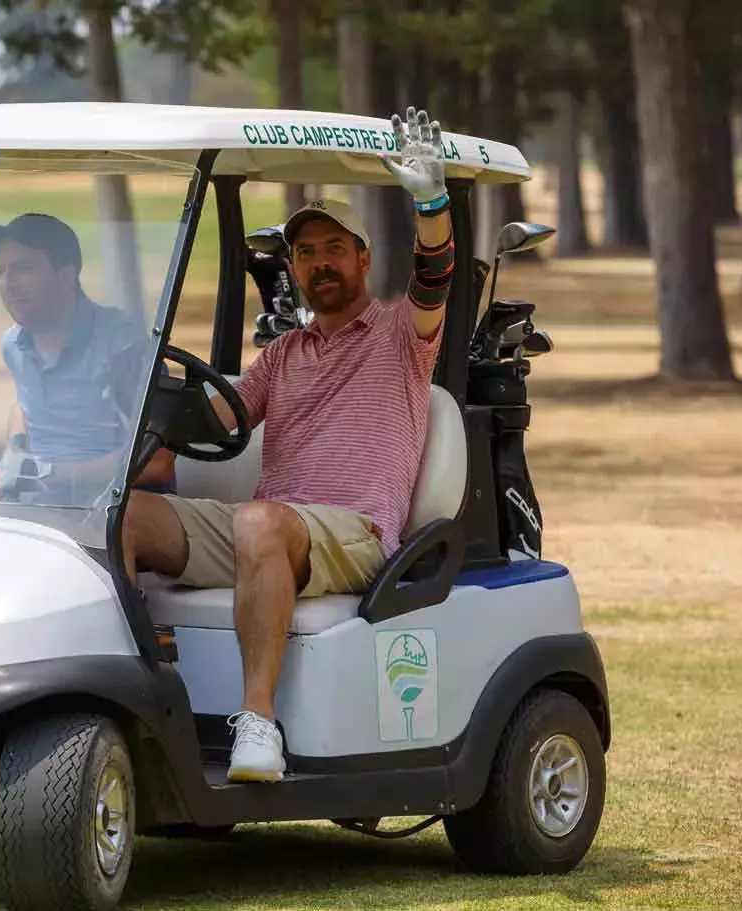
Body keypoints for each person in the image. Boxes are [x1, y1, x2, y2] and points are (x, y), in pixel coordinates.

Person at [121, 107, 456, 782]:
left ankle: (257, 723)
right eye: (306, 253)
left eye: (335, 248)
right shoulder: (283, 355)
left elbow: (433, 280)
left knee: (260, 521)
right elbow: (208, 426)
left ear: (363, 258)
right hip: (270, 532)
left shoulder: (401, 338)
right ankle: (129, 690)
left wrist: (430, 202)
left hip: (355, 533)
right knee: (124, 515)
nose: (320, 263)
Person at [0, 212, 175, 501]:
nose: (8, 283)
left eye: (23, 269)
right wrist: (9, 464)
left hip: (116, 516)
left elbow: (157, 463)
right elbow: (27, 406)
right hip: (42, 505)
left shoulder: (121, 344)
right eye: (0, 271)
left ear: (66, 275)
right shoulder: (13, 344)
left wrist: (50, 474)